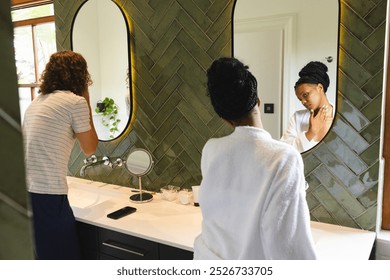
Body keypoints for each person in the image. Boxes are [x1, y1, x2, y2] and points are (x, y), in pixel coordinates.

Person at [193, 57, 317, 259]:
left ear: (224, 118)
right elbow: (288, 243)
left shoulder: (211, 150)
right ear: (258, 102)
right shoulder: (283, 158)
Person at [23, 50, 98, 259]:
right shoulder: (75, 102)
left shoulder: (35, 104)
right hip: (46, 195)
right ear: (82, 76)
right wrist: (87, 99)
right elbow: (90, 147)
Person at [280, 61, 334, 153]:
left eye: (305, 95)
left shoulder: (340, 116)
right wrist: (311, 132)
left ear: (320, 88)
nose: (303, 102)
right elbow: (283, 151)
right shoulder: (297, 118)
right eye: (300, 99)